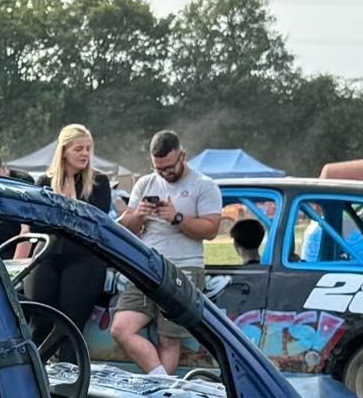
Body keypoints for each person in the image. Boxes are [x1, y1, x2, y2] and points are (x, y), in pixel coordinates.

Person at [112, 129, 221, 375]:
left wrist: (177, 218)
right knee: (121, 328)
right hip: (145, 265)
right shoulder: (145, 183)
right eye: (158, 168)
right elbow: (126, 228)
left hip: (184, 267)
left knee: (168, 338)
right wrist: (138, 215)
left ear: (183, 156)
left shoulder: (204, 185)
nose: (164, 173)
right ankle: (162, 382)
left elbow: (211, 229)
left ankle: (162, 389)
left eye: (169, 167)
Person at [26, 124, 115, 328]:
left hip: (84, 258)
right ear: (64, 151)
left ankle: (70, 351)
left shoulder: (99, 182)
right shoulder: (45, 182)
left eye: (88, 149)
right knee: (40, 323)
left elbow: (93, 224)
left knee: (69, 326)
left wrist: (67, 207)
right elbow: (36, 225)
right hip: (47, 256)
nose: (85, 154)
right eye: (79, 149)